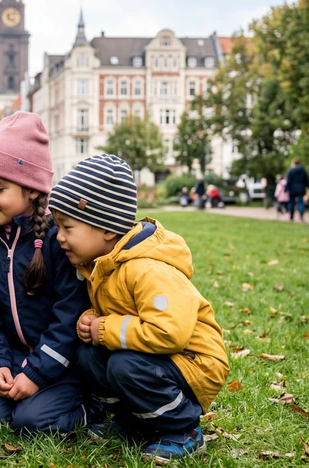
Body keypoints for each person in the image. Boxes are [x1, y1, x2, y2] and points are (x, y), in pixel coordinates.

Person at [48, 154, 228, 463]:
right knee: (88, 355)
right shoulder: (104, 264)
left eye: (67, 227)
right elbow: (114, 309)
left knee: (124, 366)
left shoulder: (148, 269)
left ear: (106, 228)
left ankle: (183, 429)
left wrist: (102, 329)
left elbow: (169, 332)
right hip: (154, 355)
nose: (59, 237)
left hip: (193, 362)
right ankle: (135, 420)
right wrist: (90, 319)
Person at [0, 111, 91, 436]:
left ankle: (92, 406)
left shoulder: (55, 239)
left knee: (30, 422)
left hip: (60, 363)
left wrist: (36, 374)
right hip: (13, 357)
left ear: (32, 189)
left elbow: (69, 314)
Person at [285, 158, 309, 222]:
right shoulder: (303, 170)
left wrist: (286, 189)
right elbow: (306, 180)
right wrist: (308, 186)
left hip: (292, 189)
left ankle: (291, 216)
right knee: (301, 203)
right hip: (301, 189)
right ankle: (301, 215)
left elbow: (288, 181)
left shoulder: (290, 170)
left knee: (291, 203)